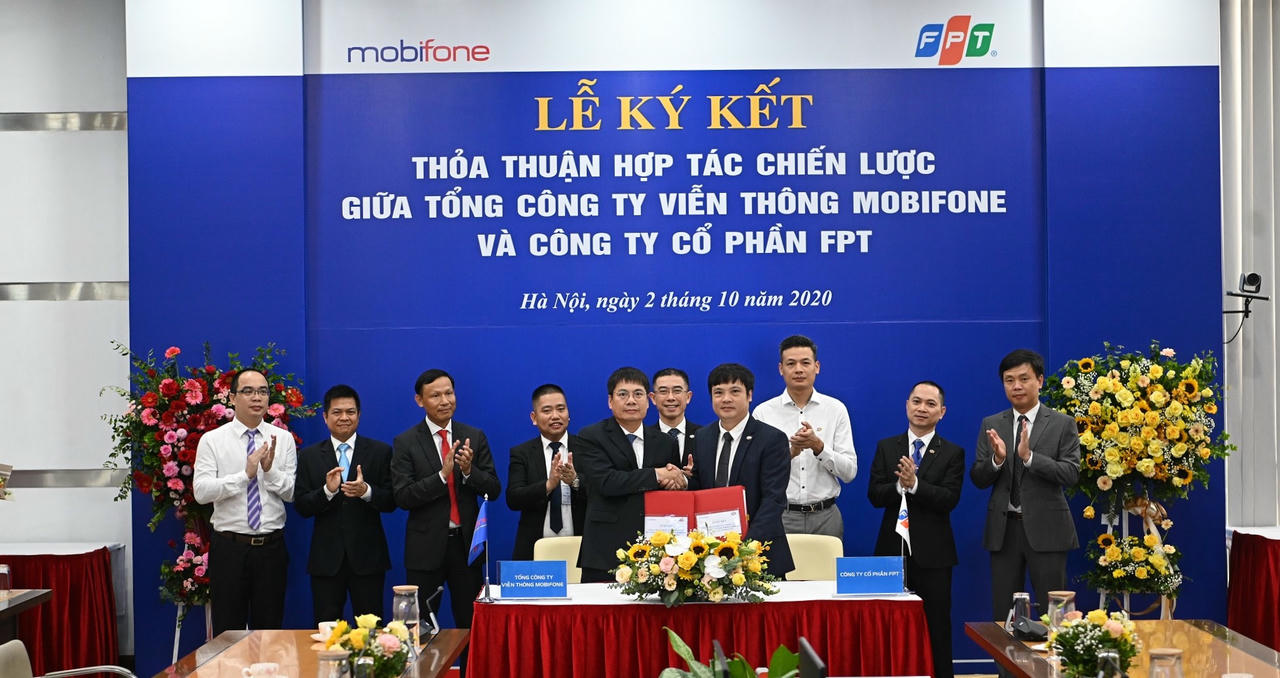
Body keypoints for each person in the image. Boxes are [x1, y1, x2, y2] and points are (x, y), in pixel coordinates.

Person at [970, 349, 1080, 625]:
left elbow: (1071, 473)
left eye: (1024, 378)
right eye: (1009, 380)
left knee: (1055, 614)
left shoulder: (1062, 423)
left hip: (1048, 530)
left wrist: (1030, 458)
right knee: (1004, 614)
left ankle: (1055, 655)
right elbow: (978, 478)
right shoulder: (991, 424)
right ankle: (1007, 657)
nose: (1016, 386)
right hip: (1004, 531)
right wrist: (997, 460)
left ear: (1040, 380)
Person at [868, 381, 964, 678]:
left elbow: (949, 499)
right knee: (887, 625)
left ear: (942, 412)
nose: (922, 408)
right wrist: (900, 486)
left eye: (930, 404)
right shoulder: (887, 447)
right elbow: (874, 495)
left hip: (934, 555)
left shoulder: (952, 452)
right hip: (891, 551)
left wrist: (916, 485)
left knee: (937, 626)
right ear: (907, 405)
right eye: (917, 401)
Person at [391, 369, 501, 628]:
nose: (445, 401)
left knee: (471, 625)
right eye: (435, 396)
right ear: (420, 400)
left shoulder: (474, 436)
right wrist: (442, 476)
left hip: (467, 548)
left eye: (449, 393)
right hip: (425, 550)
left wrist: (469, 471)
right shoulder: (406, 442)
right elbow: (403, 496)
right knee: (419, 628)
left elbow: (494, 489)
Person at [193, 368, 297, 636]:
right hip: (230, 548)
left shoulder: (282, 439)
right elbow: (201, 492)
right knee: (228, 633)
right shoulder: (213, 440)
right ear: (232, 397)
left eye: (263, 391)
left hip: (271, 549)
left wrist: (269, 471)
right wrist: (245, 476)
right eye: (248, 391)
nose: (257, 397)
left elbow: (291, 493)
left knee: (270, 632)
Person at [294, 384, 396, 624]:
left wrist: (366, 491)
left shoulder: (380, 451)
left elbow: (393, 500)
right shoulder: (309, 456)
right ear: (325, 417)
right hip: (326, 560)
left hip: (368, 558)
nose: (344, 417)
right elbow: (302, 506)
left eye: (350, 412)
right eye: (337, 412)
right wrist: (327, 491)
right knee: (327, 631)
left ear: (359, 415)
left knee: (371, 631)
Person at [575, 367, 686, 582]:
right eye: (623, 394)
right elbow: (607, 482)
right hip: (605, 550)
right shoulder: (591, 436)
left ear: (649, 400)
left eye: (638, 394)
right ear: (610, 401)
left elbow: (670, 484)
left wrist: (677, 481)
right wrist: (656, 475)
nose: (631, 401)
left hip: (655, 551)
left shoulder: (665, 442)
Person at [689, 363, 794, 576]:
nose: (726, 399)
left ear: (750, 395)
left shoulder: (772, 439)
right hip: (710, 555)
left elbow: (773, 500)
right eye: (718, 392)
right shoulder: (702, 437)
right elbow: (701, 487)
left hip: (758, 554)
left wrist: (744, 548)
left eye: (735, 391)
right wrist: (680, 481)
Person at [753, 335, 857, 538]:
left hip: (826, 517)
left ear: (817, 367)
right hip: (780, 516)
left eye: (805, 363)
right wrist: (790, 453)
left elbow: (849, 472)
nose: (798, 369)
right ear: (781, 369)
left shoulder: (836, 409)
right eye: (791, 363)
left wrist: (819, 447)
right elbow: (756, 473)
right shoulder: (763, 413)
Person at [506, 384, 588, 560]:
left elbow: (600, 490)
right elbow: (513, 498)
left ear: (568, 414)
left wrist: (575, 480)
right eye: (547, 411)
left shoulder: (587, 448)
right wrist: (548, 485)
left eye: (561, 409)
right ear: (534, 418)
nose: (555, 416)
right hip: (535, 548)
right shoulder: (522, 453)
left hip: (582, 547)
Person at [649, 367, 700, 462]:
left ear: (688, 397)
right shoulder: (644, 438)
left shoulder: (704, 436)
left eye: (677, 391)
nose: (670, 398)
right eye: (663, 391)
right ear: (653, 398)